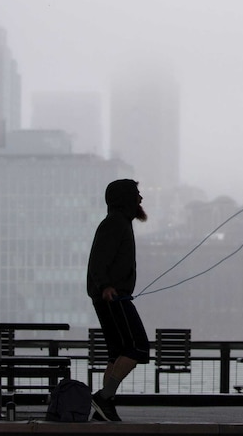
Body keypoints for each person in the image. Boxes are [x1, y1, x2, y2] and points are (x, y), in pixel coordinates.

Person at [86, 179, 151, 422]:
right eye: (137, 194)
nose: (141, 199)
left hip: (110, 295)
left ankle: (105, 408)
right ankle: (104, 397)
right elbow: (98, 261)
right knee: (138, 347)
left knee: (118, 352)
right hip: (113, 296)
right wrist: (105, 286)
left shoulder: (118, 223)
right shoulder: (115, 224)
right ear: (126, 199)